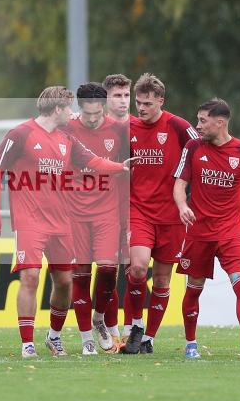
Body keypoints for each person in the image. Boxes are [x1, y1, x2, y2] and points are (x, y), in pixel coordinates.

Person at [0, 86, 134, 358]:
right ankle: (27, 343)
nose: (73, 112)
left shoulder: (67, 138)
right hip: (29, 221)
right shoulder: (20, 134)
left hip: (61, 221)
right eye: (69, 108)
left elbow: (91, 160)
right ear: (58, 109)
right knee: (30, 276)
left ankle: (53, 336)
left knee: (65, 281)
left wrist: (119, 167)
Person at [174, 98, 240, 359]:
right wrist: (182, 207)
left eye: (203, 120)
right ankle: (191, 344)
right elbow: (179, 184)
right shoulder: (192, 147)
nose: (197, 125)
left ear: (220, 122)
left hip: (231, 231)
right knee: (194, 288)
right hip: (199, 232)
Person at [123, 73, 199, 355]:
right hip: (139, 209)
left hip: (172, 216)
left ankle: (148, 339)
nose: (140, 108)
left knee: (164, 281)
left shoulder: (178, 126)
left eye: (147, 103)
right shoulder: (128, 127)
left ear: (160, 102)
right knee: (140, 267)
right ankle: (135, 325)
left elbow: (202, 154)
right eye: (137, 102)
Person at [64, 83, 129, 355]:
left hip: (106, 212)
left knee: (107, 271)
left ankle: (99, 318)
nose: (91, 119)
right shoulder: (66, 129)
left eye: (96, 113)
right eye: (86, 114)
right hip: (74, 213)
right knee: (80, 275)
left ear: (103, 107)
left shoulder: (119, 129)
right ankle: (85, 339)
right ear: (80, 107)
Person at [99, 73, 134, 348]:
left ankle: (134, 330)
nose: (123, 101)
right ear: (106, 98)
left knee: (134, 270)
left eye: (126, 95)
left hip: (136, 208)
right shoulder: (96, 128)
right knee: (107, 271)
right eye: (117, 96)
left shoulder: (140, 125)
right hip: (103, 209)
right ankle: (108, 326)